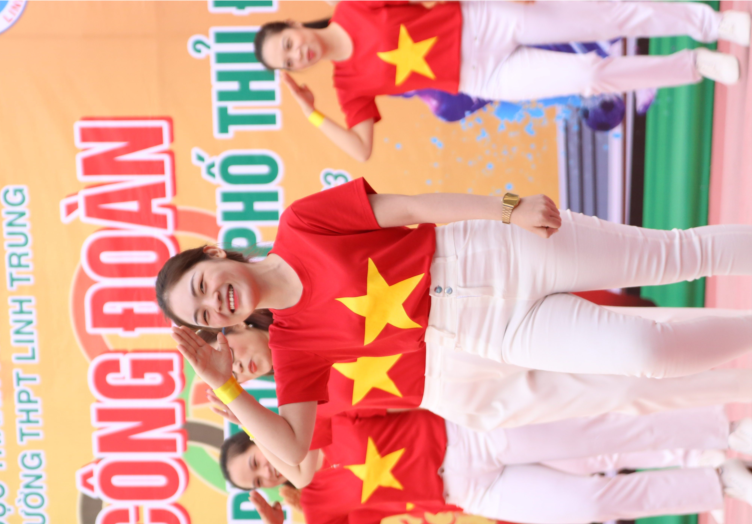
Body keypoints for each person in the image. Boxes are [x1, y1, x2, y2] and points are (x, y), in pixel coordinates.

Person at [158, 179, 752, 466]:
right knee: (647, 356)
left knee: (674, 255)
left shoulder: (301, 224)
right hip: (487, 333)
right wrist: (227, 387)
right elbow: (291, 452)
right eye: (203, 316)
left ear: (214, 253)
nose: (216, 304)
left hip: (489, 252)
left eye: (203, 286)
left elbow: (410, 206)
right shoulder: (293, 346)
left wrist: (508, 208)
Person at [222, 409, 752, 524]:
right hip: (467, 492)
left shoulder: (314, 419)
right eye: (256, 481)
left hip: (468, 436)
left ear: (257, 437)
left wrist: (239, 401)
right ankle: (720, 481)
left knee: (600, 435)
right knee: (591, 504)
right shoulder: (318, 506)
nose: (266, 473)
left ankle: (725, 430)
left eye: (255, 461)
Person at [255, 0, 750, 161]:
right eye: (289, 62)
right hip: (481, 76)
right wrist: (310, 112)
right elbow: (361, 150)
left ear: (294, 24)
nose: (298, 54)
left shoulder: (351, 7)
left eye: (289, 44)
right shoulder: (347, 84)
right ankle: (694, 65)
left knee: (606, 17)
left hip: (484, 20)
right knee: (589, 75)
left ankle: (712, 24)